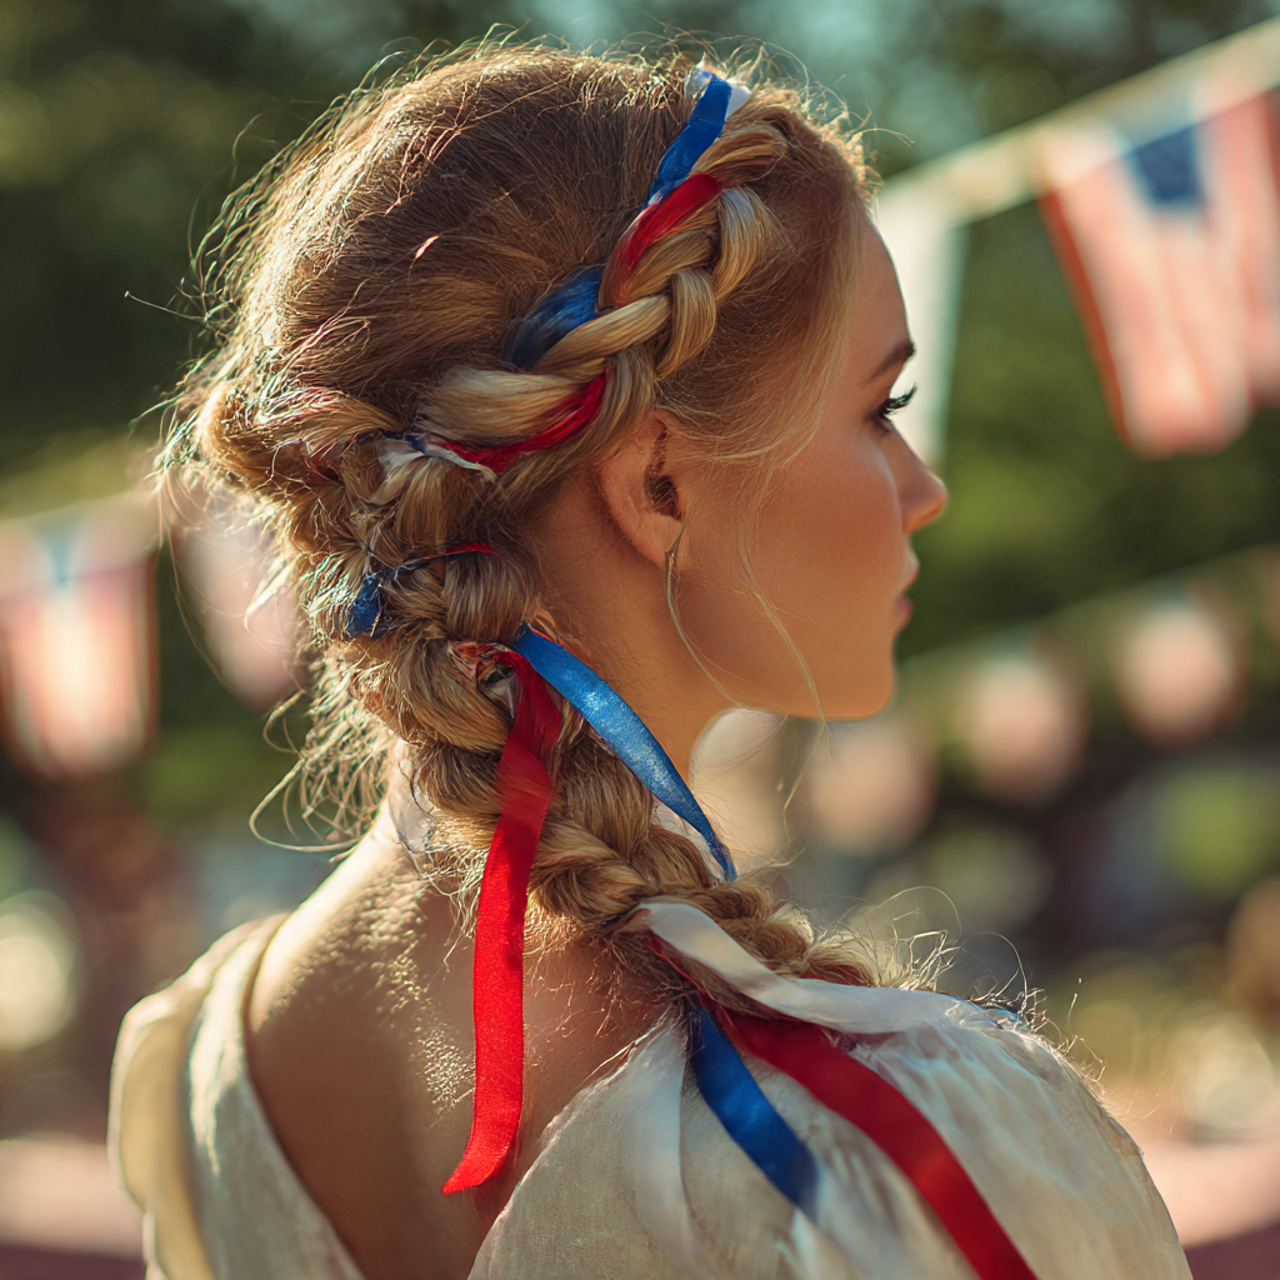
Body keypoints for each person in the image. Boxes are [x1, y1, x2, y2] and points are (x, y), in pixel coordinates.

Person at [108, 41, 1191, 1280]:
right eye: (878, 412)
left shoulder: (207, 1065)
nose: (925, 489)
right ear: (657, 481)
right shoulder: (893, 1147)